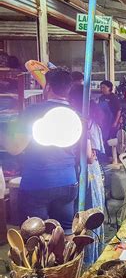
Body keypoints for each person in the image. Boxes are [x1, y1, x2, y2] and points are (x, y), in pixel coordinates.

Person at [5, 69, 78, 234]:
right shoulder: (76, 114)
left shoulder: (33, 111)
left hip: (37, 183)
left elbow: (16, 148)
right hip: (68, 181)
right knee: (65, 233)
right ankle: (67, 261)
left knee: (36, 238)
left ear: (48, 87)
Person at [69, 84, 106, 266]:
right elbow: (94, 154)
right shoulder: (89, 121)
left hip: (85, 172)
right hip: (92, 172)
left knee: (86, 215)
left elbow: (89, 156)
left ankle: (87, 257)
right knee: (92, 213)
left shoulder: (81, 122)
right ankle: (92, 254)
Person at [98, 80, 121, 146]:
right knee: (103, 139)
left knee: (111, 140)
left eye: (104, 87)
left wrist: (115, 122)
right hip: (103, 122)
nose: (102, 89)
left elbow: (118, 110)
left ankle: (111, 154)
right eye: (101, 87)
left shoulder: (114, 97)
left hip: (112, 121)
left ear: (109, 88)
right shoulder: (101, 98)